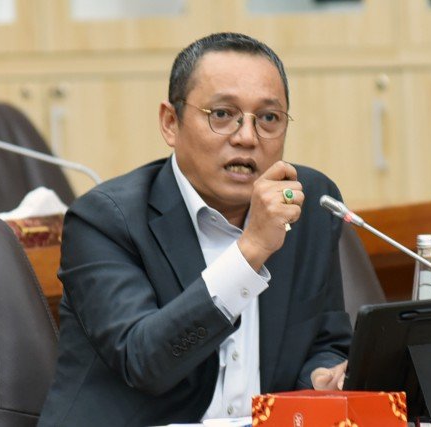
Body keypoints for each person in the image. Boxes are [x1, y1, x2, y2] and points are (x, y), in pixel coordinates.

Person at [39, 32, 352, 426]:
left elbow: (326, 340)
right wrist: (250, 251)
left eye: (269, 118)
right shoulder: (104, 220)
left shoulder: (310, 202)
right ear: (171, 123)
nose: (247, 137)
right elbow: (144, 361)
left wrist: (321, 379)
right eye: (222, 114)